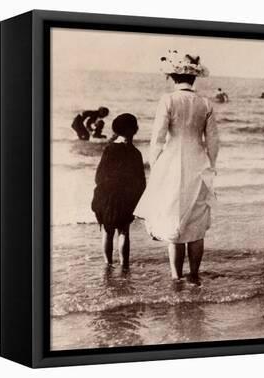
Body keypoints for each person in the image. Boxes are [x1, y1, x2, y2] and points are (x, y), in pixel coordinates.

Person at [135, 51, 219, 282]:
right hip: (198, 163)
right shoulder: (205, 103)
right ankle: (194, 275)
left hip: (171, 163)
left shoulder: (168, 100)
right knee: (196, 223)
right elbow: (213, 142)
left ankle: (175, 276)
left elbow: (158, 138)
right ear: (194, 79)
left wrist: (156, 165)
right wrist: (211, 165)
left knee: (175, 220)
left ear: (173, 77)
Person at [91, 113, 146, 269]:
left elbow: (99, 176)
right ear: (135, 130)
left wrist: (102, 193)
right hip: (126, 197)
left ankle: (108, 264)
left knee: (107, 231)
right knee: (124, 232)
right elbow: (140, 181)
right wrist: (136, 199)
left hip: (107, 196)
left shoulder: (109, 149)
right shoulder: (136, 153)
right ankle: (124, 265)